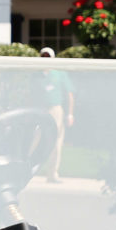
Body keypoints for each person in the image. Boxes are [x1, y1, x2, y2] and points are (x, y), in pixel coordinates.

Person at [37, 46, 76, 181]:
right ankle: (32, 171)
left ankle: (52, 174)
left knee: (56, 142)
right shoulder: (36, 74)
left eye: (48, 56)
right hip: (40, 109)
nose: (45, 59)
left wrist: (70, 114)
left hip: (55, 110)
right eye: (43, 56)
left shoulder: (60, 74)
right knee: (36, 139)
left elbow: (69, 94)